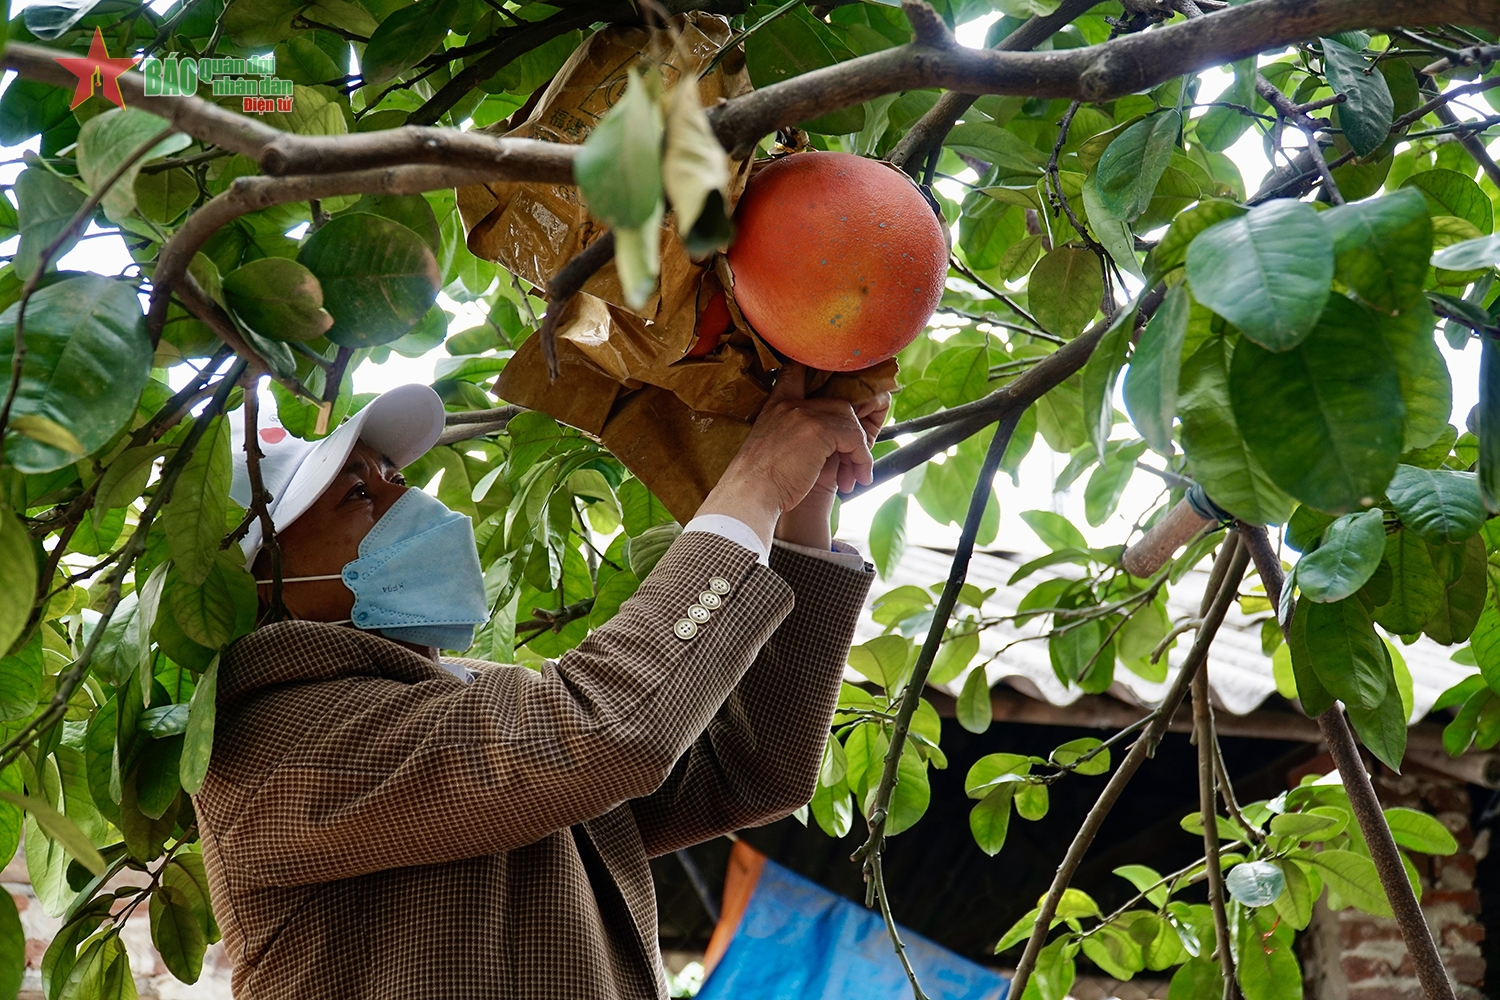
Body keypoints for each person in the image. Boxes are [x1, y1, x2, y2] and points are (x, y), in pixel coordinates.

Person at [194, 365, 888, 999]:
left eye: (391, 476)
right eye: (356, 494)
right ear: (257, 590)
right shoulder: (268, 745)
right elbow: (609, 725)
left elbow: (744, 765)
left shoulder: (465, 701)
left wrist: (799, 515)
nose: (403, 499)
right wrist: (754, 482)